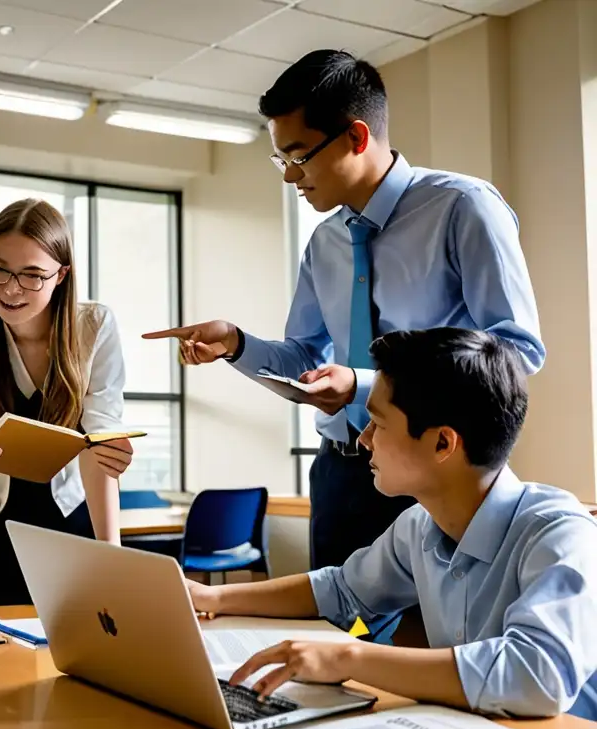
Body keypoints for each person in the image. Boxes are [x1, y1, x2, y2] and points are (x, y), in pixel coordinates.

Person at [143, 50, 544, 574]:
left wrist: (361, 384)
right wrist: (236, 344)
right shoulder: (325, 242)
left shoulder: (463, 208)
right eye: (280, 159)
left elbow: (514, 352)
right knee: (339, 630)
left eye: (299, 155)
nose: (290, 176)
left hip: (433, 474)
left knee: (422, 637)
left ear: (356, 137)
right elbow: (307, 358)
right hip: (339, 473)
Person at [187, 328, 597, 720]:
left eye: (378, 424)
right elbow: (340, 591)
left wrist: (347, 658)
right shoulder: (419, 526)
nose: (364, 439)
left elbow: (536, 676)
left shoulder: (560, 533)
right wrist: (215, 600)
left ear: (442, 443)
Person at [0, 199, 135, 607]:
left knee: (82, 656)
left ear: (61, 275)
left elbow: (100, 447)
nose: (11, 289)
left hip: (72, 516)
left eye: (32, 275)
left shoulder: (93, 327)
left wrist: (112, 554)